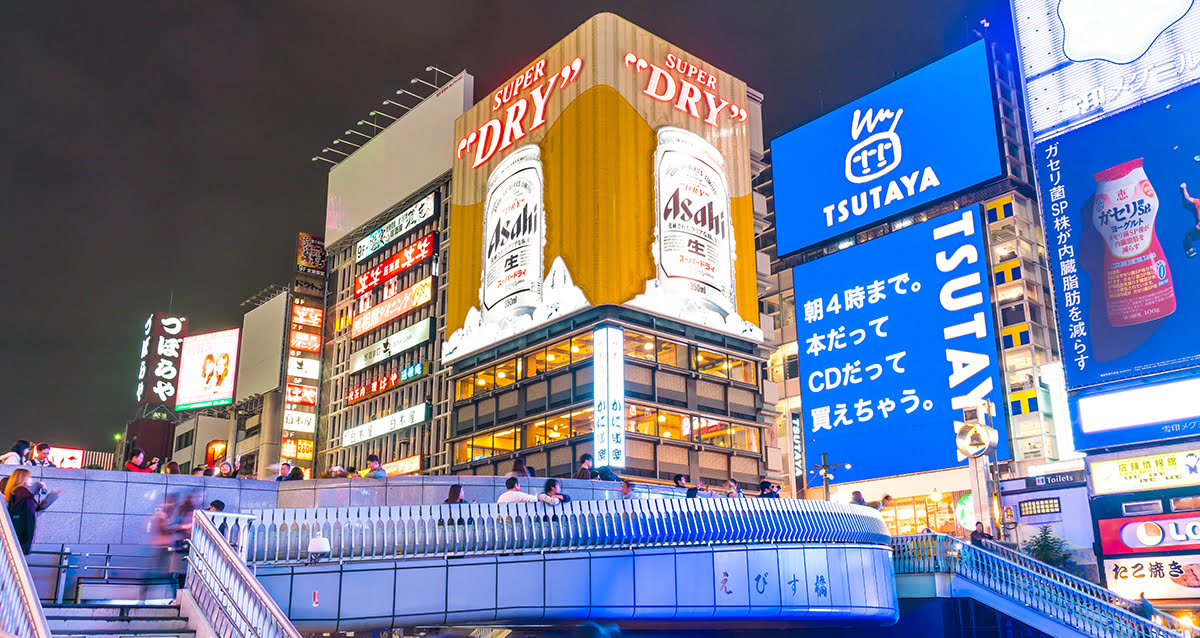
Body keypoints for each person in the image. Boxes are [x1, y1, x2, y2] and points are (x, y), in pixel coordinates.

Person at [3, 468, 39, 553]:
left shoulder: (17, 490)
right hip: (22, 530)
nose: (31, 479)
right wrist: (39, 486)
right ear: (23, 478)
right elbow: (28, 501)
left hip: (19, 528)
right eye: (29, 477)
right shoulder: (20, 490)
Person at [1181, 183, 1200, 258]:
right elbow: (1187, 197)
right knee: (1186, 239)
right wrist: (1184, 188)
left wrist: (1184, 187)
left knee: (1187, 235)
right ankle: (1189, 251)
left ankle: (1191, 250)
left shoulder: (1198, 201)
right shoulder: (1198, 202)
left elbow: (1187, 197)